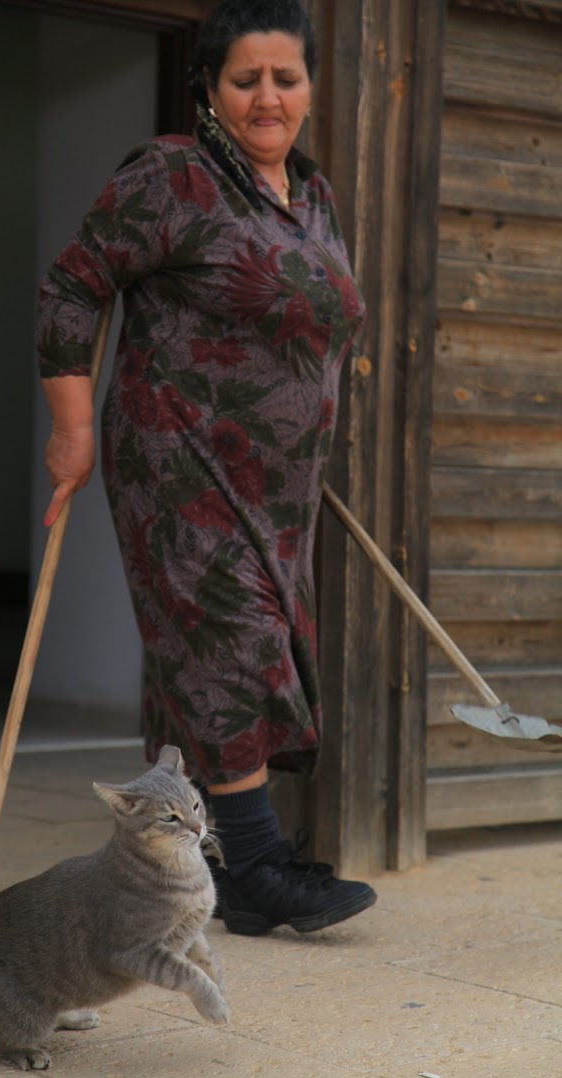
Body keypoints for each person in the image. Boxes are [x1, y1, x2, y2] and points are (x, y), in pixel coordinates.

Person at [37, 0, 377, 937]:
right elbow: (75, 283)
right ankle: (259, 866)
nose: (268, 96)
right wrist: (71, 430)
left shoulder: (312, 195)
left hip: (281, 486)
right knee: (227, 641)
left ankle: (194, 854)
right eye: (245, 79)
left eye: (286, 77)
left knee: (209, 655)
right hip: (179, 456)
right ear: (212, 90)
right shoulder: (174, 177)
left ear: (309, 87)